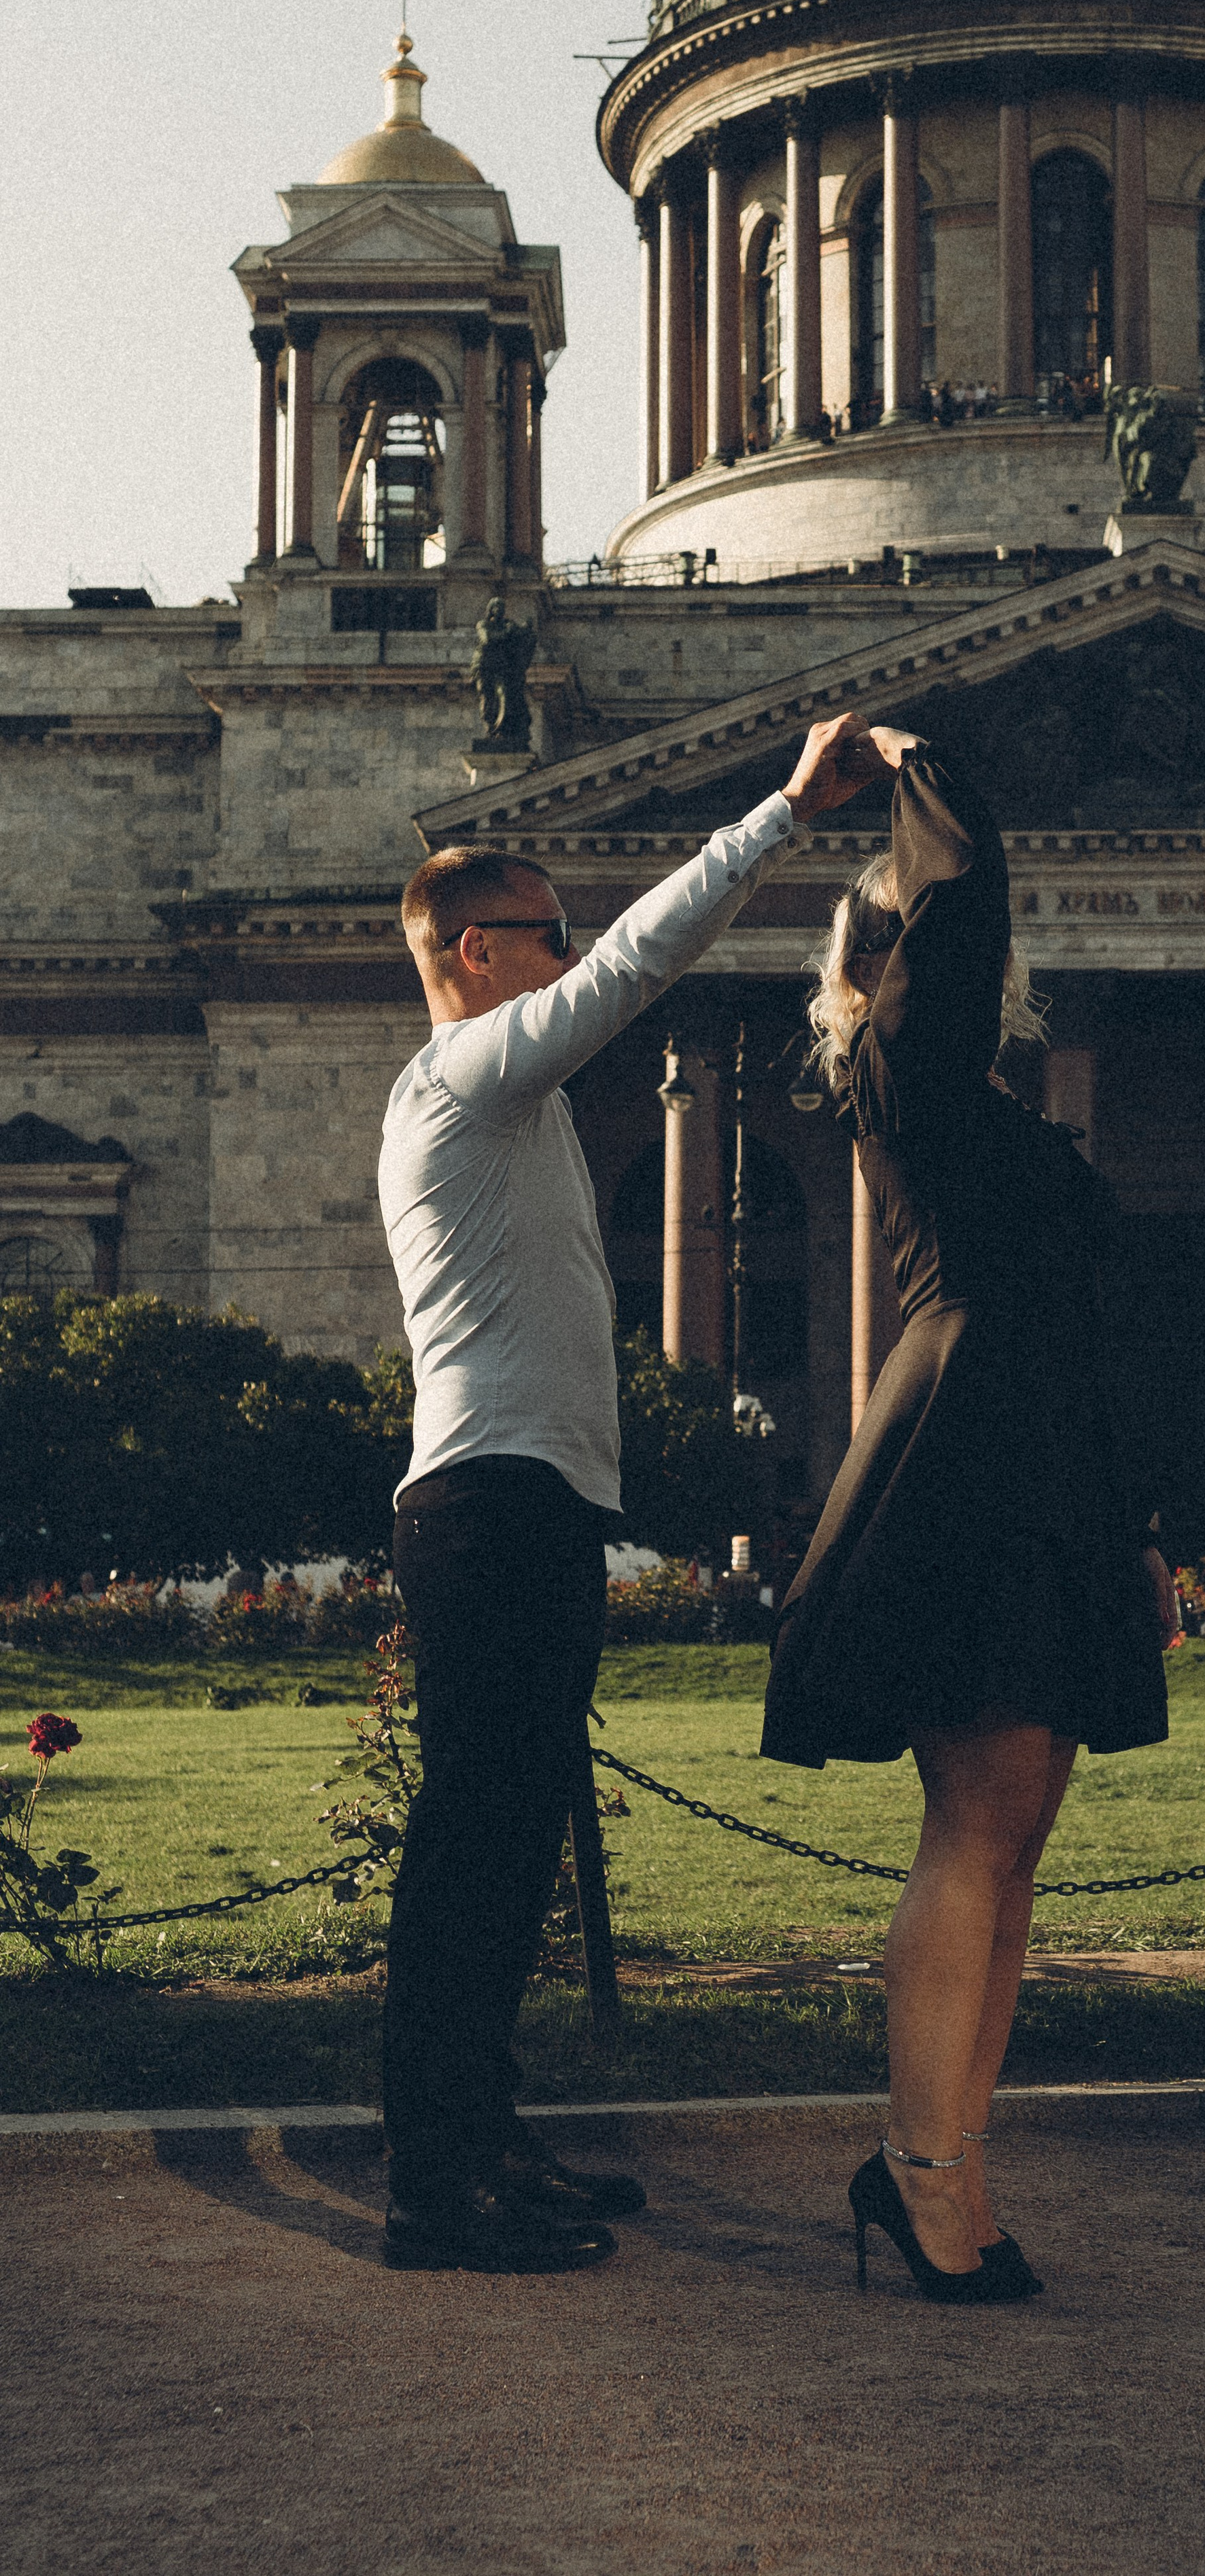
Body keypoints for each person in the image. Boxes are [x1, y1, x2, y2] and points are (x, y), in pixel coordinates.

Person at [377, 709, 877, 2273]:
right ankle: (432, 2190)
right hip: (490, 1507)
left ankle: (486, 2144)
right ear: (471, 951)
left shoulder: (487, 1103)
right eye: (542, 934)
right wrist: (784, 813)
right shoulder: (465, 1075)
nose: (565, 953)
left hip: (528, 1502)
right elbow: (634, 976)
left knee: (510, 1848)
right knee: (473, 1852)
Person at [762, 732, 1174, 2304]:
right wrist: (914, 771)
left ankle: (948, 2162)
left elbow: (1084, 1330)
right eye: (916, 933)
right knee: (974, 1832)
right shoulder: (905, 1077)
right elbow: (962, 897)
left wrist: (1134, 1530)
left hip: (1042, 1464)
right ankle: (921, 2172)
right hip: (971, 1465)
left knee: (1011, 1844)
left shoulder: (969, 1109)